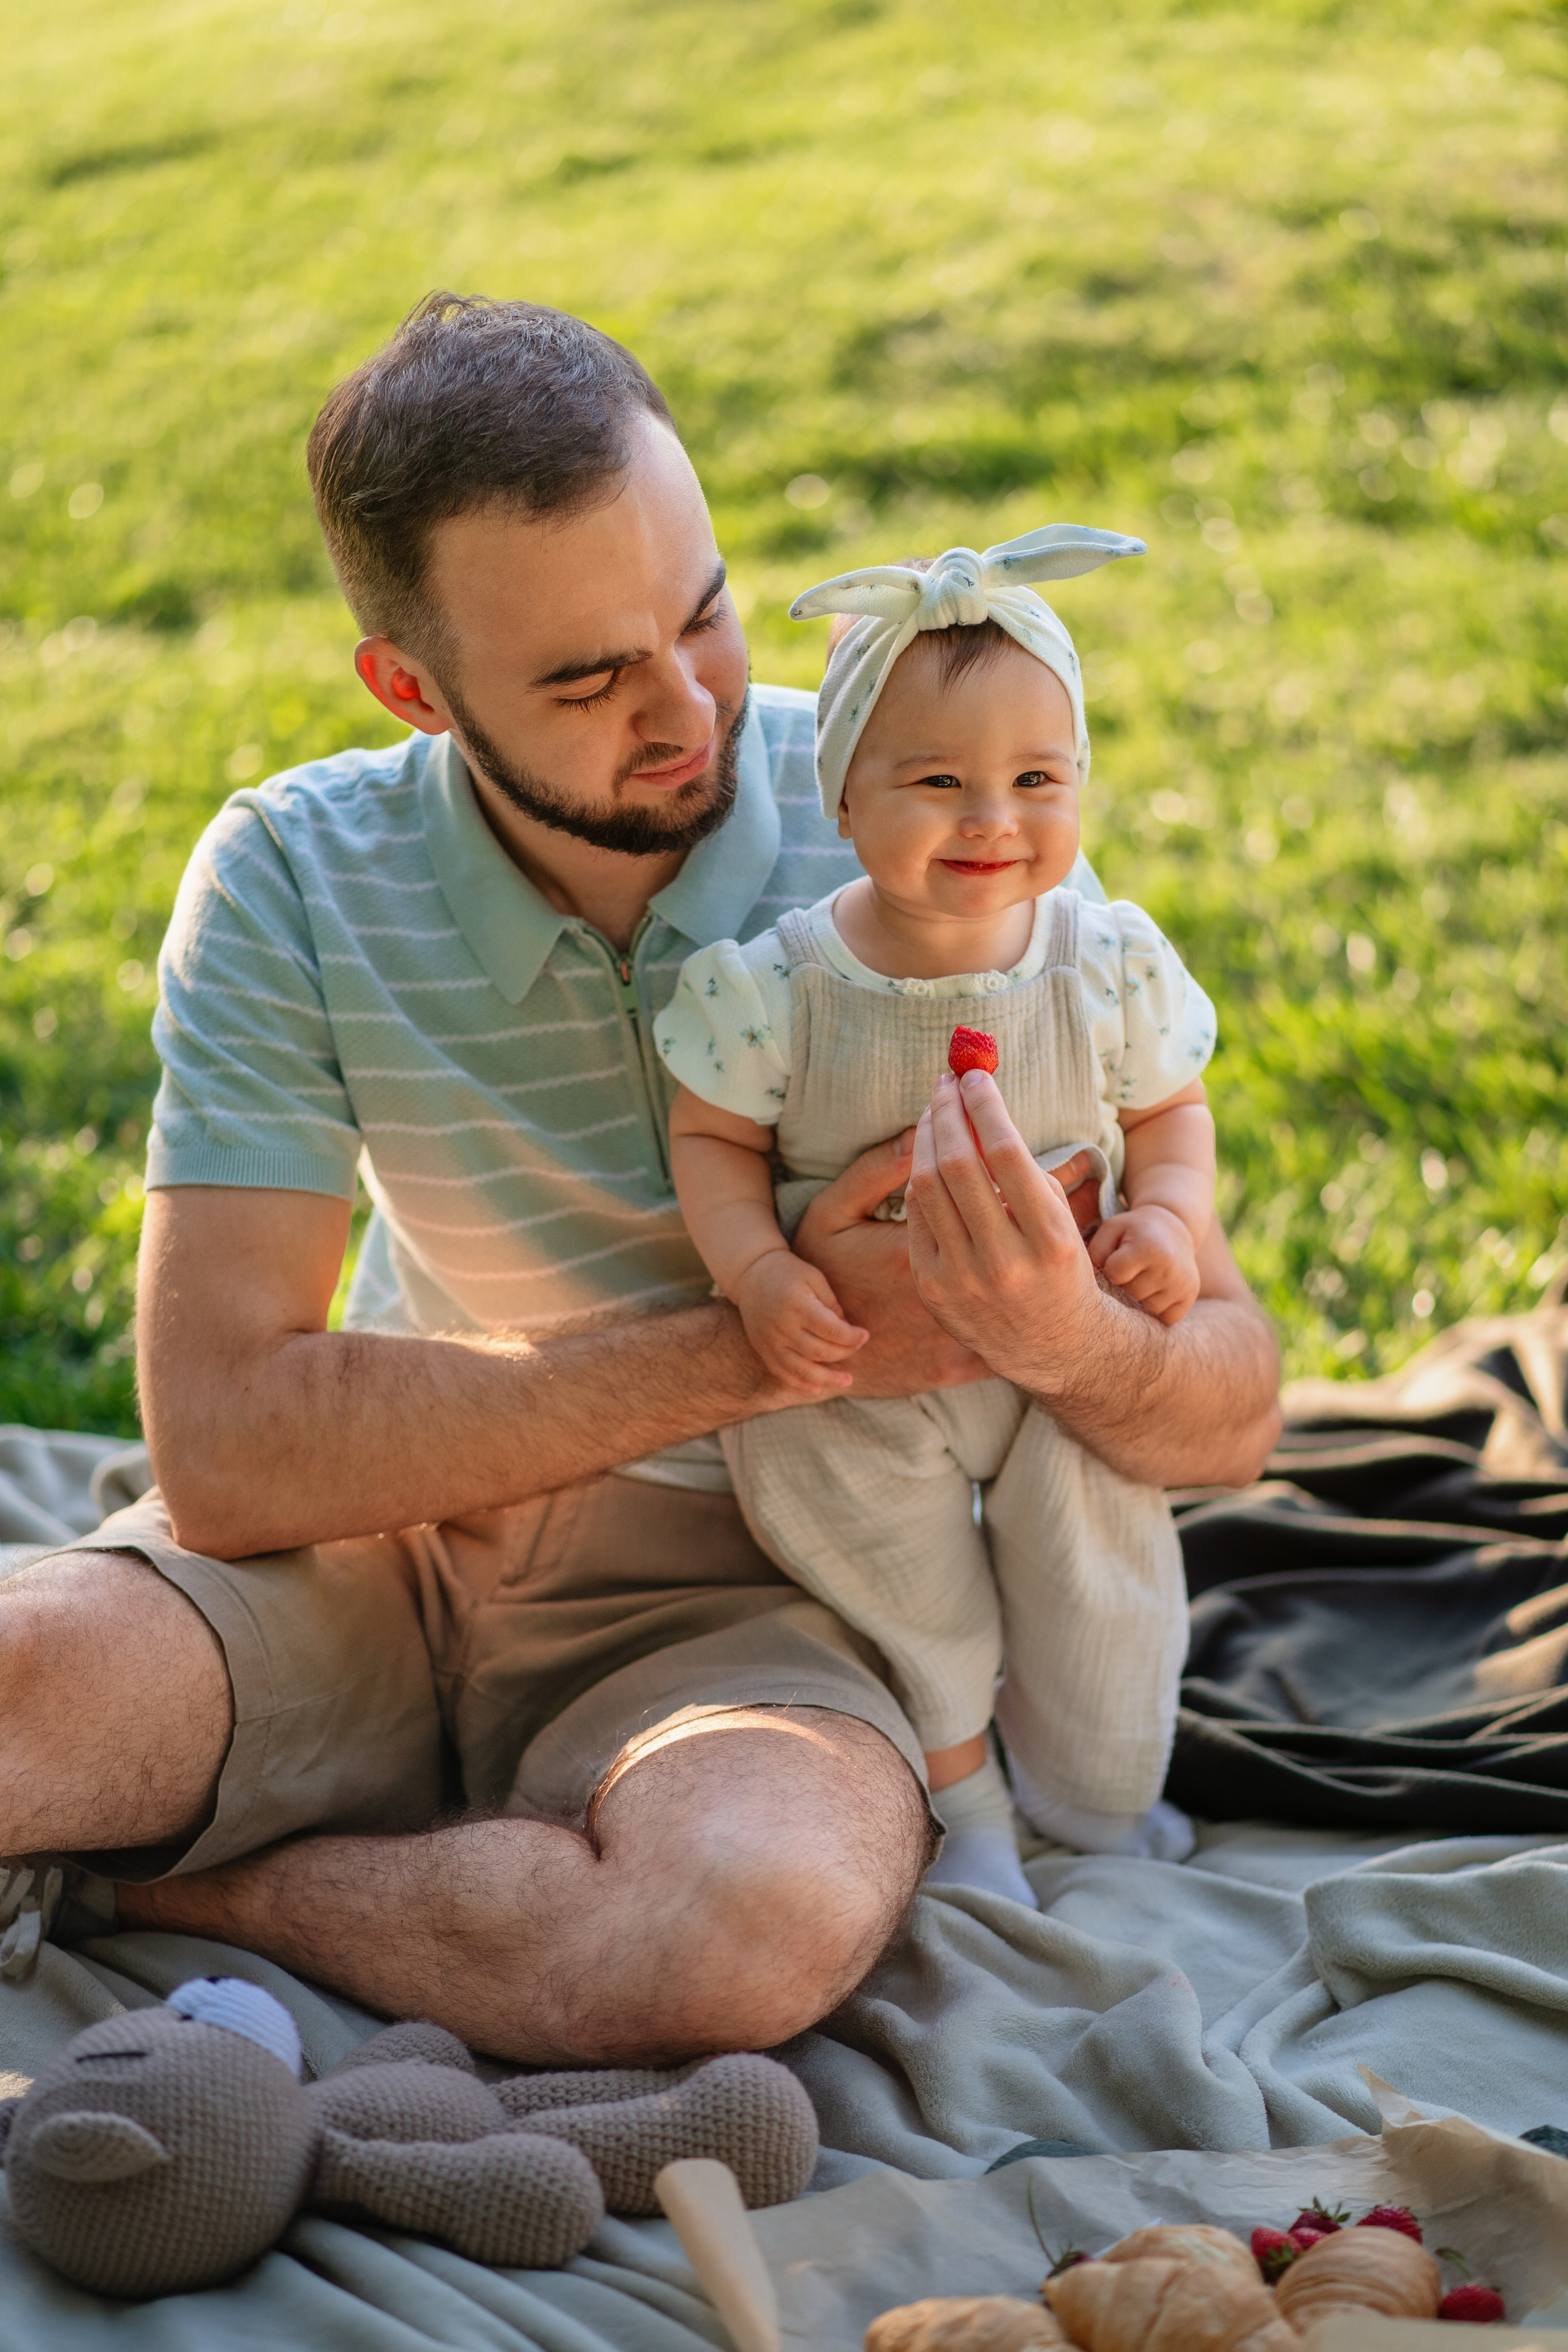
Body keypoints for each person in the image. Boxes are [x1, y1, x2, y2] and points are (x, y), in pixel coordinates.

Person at [0, 296, 1281, 2062]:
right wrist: (790, 1334)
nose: (688, 709)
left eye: (704, 615)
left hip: (751, 1599)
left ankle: (152, 1888)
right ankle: (396, 1870)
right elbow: (225, 1452)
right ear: (411, 685)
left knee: (735, 1927)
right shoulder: (296, 873)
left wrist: (1067, 1331)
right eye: (590, 678)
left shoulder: (912, 806)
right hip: (380, 1541)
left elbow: (1227, 1410)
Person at [657, 533, 1216, 1907]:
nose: (991, 820)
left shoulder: (1102, 961)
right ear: (842, 800)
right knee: (908, 1589)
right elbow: (712, 1139)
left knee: (1099, 1579)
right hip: (854, 1373)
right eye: (937, 782)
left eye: (1037, 780)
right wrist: (754, 1271)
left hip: (1060, 1342)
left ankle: (1091, 1797)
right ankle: (962, 1799)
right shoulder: (781, 986)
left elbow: (1169, 1114)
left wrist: (1168, 1221)